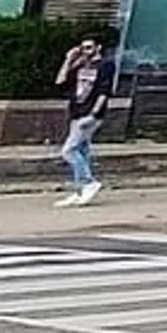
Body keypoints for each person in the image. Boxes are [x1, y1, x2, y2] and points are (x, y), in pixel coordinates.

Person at [51, 37, 111, 208]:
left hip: (90, 114)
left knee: (68, 151)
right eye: (83, 48)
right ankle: (80, 191)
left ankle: (88, 182)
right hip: (76, 112)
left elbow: (104, 92)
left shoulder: (105, 65)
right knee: (82, 151)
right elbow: (60, 81)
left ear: (98, 47)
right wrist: (69, 59)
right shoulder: (80, 65)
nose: (87, 51)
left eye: (90, 47)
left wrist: (93, 114)